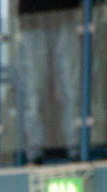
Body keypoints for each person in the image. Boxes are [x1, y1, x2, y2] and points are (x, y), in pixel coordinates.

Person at [16, 1, 83, 164]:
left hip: (64, 16)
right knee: (32, 95)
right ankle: (34, 152)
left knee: (72, 91)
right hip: (32, 20)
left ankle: (76, 149)